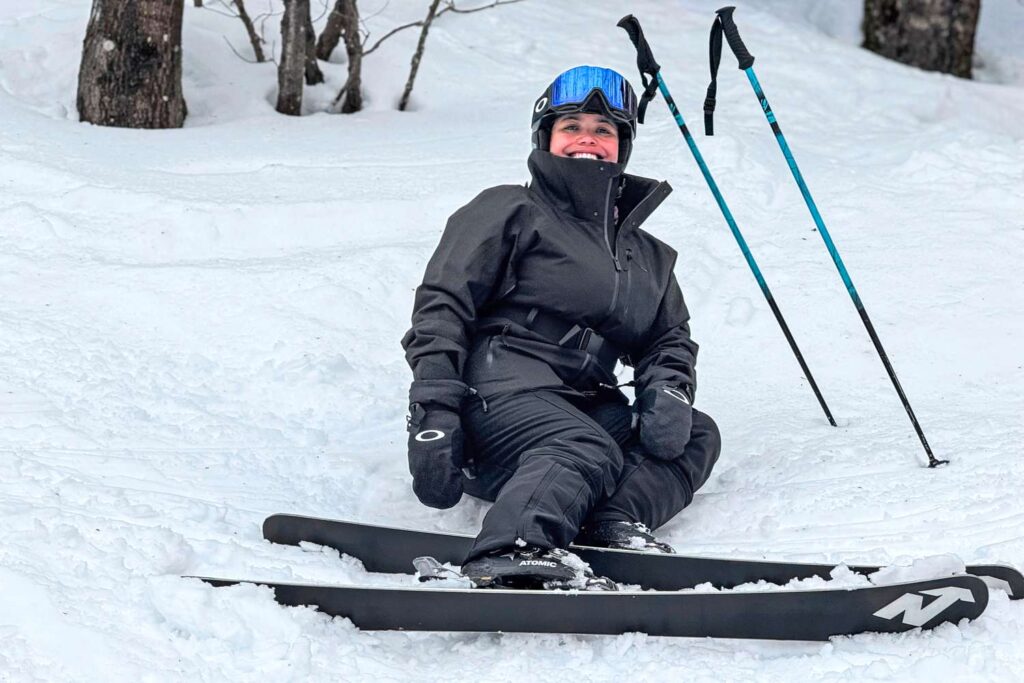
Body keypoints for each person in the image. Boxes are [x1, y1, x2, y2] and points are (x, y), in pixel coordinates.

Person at [401, 65, 721, 589]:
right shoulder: (510, 208)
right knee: (582, 443)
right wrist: (433, 407)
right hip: (499, 398)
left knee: (697, 434)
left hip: (585, 400)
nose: (587, 139)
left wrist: (669, 391)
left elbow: (669, 339)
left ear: (623, 145)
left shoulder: (648, 255)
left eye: (603, 129)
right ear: (546, 137)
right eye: (571, 126)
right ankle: (513, 547)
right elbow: (443, 304)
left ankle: (609, 522)